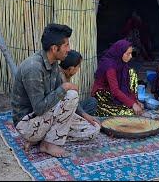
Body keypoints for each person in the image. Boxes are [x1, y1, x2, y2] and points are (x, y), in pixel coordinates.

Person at [11, 24, 100, 158]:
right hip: (28, 123)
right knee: (71, 94)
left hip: (47, 117)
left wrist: (84, 114)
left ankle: (42, 139)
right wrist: (64, 88)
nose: (68, 50)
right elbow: (39, 108)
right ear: (54, 48)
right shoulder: (33, 68)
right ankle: (47, 144)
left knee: (93, 130)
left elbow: (59, 101)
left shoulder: (53, 64)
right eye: (66, 45)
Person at [91, 39, 144, 116]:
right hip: (104, 96)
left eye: (131, 53)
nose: (131, 56)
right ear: (120, 53)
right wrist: (132, 104)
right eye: (128, 54)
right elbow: (115, 90)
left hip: (115, 94)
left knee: (132, 73)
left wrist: (135, 101)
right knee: (129, 112)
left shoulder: (123, 65)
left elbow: (127, 87)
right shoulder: (110, 66)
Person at [59, 50, 97, 115]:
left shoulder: (66, 74)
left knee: (92, 101)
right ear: (71, 69)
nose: (78, 69)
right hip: (61, 111)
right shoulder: (59, 77)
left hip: (70, 108)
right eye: (78, 67)